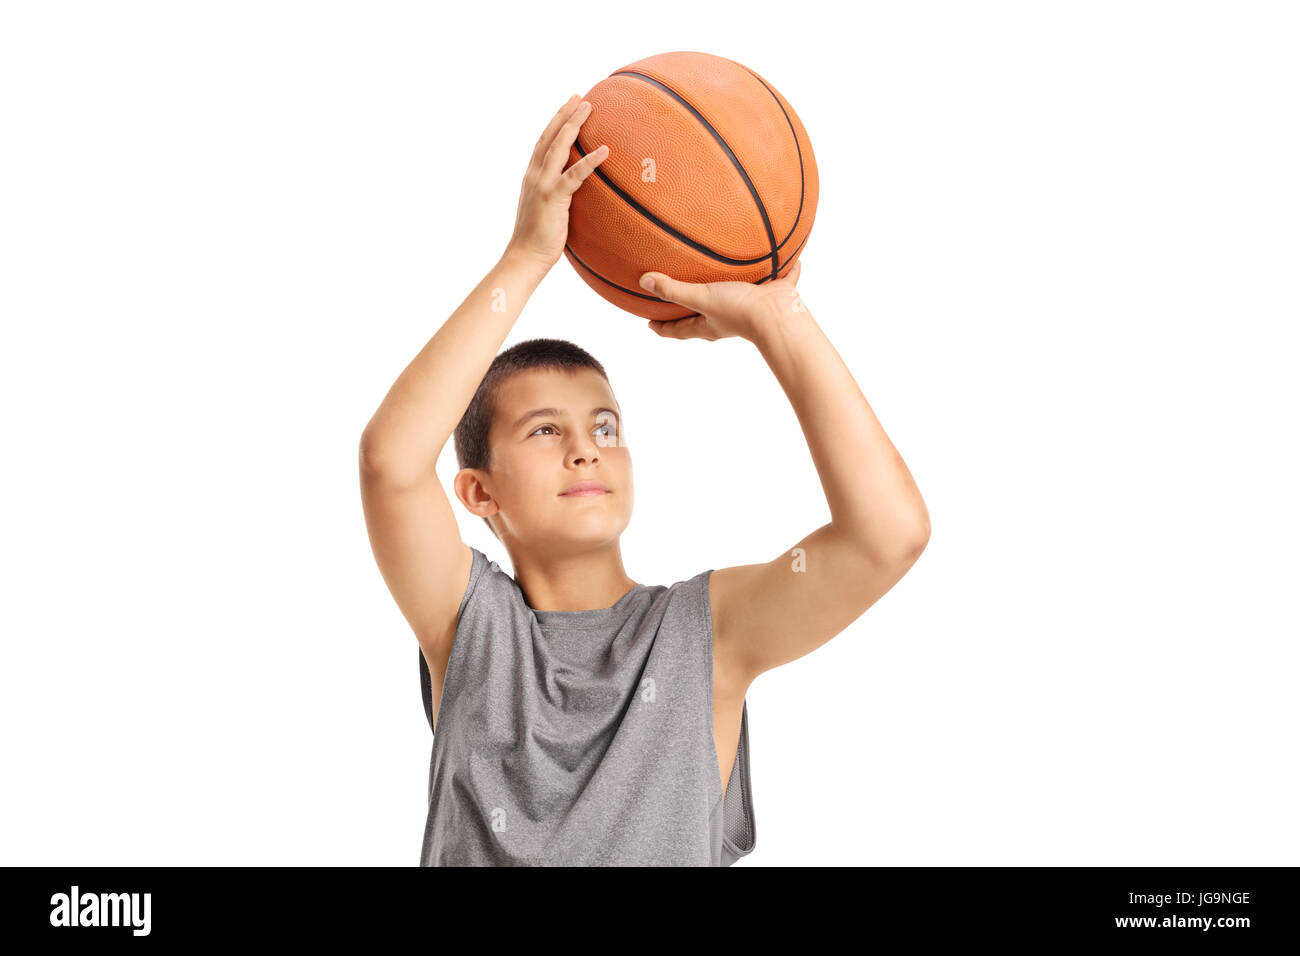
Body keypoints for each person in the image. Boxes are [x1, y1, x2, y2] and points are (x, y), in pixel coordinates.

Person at [358, 94, 930, 866]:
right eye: (544, 431)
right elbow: (391, 461)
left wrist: (779, 320)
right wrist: (527, 258)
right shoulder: (471, 628)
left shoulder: (705, 633)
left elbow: (888, 533)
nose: (586, 450)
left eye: (604, 427)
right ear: (479, 494)